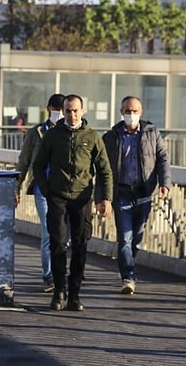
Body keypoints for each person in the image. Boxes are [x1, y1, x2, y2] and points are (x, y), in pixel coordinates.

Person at [32, 94, 112, 312]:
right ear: (63, 111)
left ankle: (74, 295)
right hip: (57, 196)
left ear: (83, 111)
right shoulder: (53, 135)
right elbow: (38, 166)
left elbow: (105, 170)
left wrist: (106, 198)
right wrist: (47, 191)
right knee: (57, 244)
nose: (72, 114)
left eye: (76, 110)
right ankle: (59, 291)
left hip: (82, 199)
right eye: (68, 110)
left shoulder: (93, 137)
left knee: (80, 246)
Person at [102, 96, 171, 295]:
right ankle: (128, 276)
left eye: (134, 111)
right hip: (121, 193)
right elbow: (103, 168)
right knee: (124, 237)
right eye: (127, 111)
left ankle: (128, 265)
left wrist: (164, 183)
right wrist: (103, 197)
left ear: (141, 112)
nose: (131, 115)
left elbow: (163, 159)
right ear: (121, 112)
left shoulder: (152, 134)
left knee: (136, 238)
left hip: (143, 193)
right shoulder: (112, 137)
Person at [15, 93, 65, 293]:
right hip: (42, 188)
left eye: (63, 111)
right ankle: (49, 275)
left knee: (63, 235)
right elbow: (24, 160)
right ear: (48, 109)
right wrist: (16, 187)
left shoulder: (70, 133)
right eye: (56, 110)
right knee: (48, 231)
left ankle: (60, 271)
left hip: (65, 191)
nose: (60, 114)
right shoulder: (37, 133)